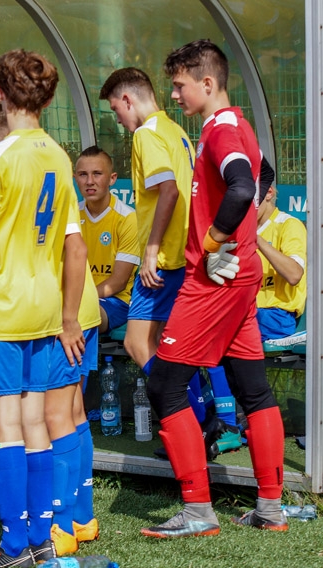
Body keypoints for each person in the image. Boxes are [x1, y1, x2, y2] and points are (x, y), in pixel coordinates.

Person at [141, 39, 285, 538]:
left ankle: (199, 511)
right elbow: (264, 175)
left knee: (163, 384)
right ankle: (270, 508)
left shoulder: (222, 128)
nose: (174, 95)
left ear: (206, 83)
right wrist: (245, 234)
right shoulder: (237, 124)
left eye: (179, 85)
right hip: (240, 277)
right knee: (253, 388)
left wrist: (216, 238)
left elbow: (245, 186)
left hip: (214, 280)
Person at [0, 49, 86, 568]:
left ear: (0, 95)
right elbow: (74, 245)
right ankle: (38, 540)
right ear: (49, 97)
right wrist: (70, 314)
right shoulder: (57, 154)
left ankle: (12, 546)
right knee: (35, 421)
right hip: (46, 306)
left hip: (3, 306)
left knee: (2, 423)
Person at [99, 67, 207, 422]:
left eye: (116, 109)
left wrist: (150, 251)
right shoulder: (177, 132)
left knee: (136, 342)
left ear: (128, 99)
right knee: (164, 346)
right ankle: (201, 416)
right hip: (185, 255)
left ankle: (192, 418)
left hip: (163, 260)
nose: (118, 119)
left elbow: (170, 191)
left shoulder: (146, 135)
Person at [75, 146, 140, 333]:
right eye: (82, 174)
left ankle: (86, 364)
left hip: (114, 301)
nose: (90, 181)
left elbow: (118, 282)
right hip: (75, 298)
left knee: (82, 317)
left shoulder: (128, 218)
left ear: (112, 178)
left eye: (97, 174)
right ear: (75, 179)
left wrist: (76, 302)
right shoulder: (70, 214)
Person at [255, 184, 306, 340]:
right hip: (246, 312)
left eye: (249, 200)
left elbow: (294, 274)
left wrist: (256, 239)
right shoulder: (237, 229)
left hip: (276, 316)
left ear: (268, 193)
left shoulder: (289, 225)